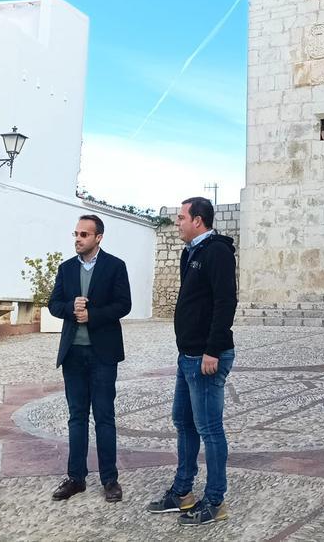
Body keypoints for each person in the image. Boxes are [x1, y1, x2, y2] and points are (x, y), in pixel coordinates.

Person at [146, 197, 237, 526]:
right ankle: (183, 492)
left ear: (198, 220)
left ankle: (215, 500)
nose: (177, 223)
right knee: (183, 422)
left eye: (181, 218)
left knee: (210, 429)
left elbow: (226, 302)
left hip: (206, 357)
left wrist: (212, 350)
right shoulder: (191, 252)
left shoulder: (217, 252)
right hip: (188, 355)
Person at [47, 214, 133, 503]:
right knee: (76, 417)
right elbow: (53, 304)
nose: (78, 238)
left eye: (84, 234)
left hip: (103, 354)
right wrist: (71, 307)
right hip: (72, 354)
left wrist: (92, 315)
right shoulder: (66, 269)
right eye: (76, 233)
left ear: (98, 238)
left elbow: (124, 304)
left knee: (105, 417)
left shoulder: (115, 266)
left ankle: (110, 479)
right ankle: (76, 478)